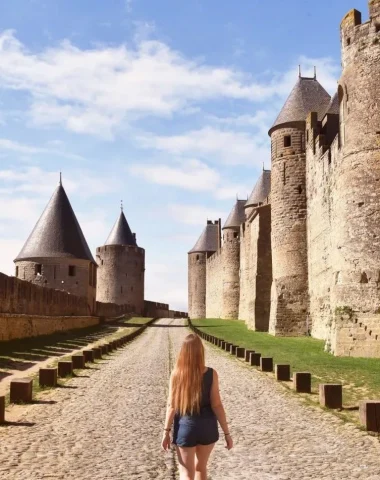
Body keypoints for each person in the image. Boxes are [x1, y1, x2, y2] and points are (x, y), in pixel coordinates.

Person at [162, 333, 233, 480]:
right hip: (207, 428)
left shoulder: (177, 374)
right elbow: (217, 405)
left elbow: (171, 405)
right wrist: (227, 433)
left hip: (185, 428)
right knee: (201, 469)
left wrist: (166, 432)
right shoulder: (211, 374)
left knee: (186, 474)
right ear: (201, 351)